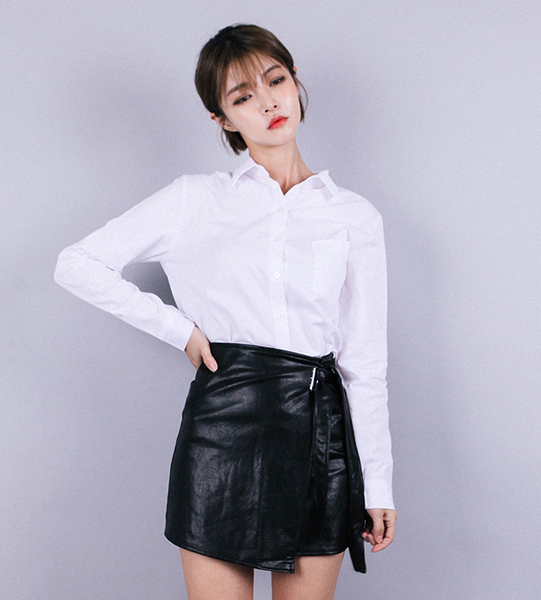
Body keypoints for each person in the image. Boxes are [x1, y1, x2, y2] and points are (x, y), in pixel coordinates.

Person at [54, 23, 397, 600]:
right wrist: (179, 329)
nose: (268, 103)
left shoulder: (354, 217)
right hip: (222, 431)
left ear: (295, 82)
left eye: (275, 81)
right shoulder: (196, 199)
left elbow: (364, 363)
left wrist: (378, 484)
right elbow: (77, 263)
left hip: (318, 434)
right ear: (222, 119)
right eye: (243, 97)